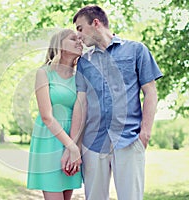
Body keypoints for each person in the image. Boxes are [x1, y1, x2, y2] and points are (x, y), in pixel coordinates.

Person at [61, 5, 163, 200]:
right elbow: (80, 104)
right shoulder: (84, 62)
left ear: (96, 23)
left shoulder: (136, 50)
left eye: (80, 28)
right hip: (93, 143)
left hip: (129, 139)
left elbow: (150, 92)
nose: (79, 36)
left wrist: (145, 134)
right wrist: (73, 146)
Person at [27, 29, 83, 200]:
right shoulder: (44, 73)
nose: (79, 42)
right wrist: (71, 147)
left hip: (74, 139)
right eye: (73, 39)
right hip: (50, 140)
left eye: (80, 39)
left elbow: (82, 114)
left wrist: (75, 148)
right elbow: (46, 116)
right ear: (59, 45)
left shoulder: (80, 77)